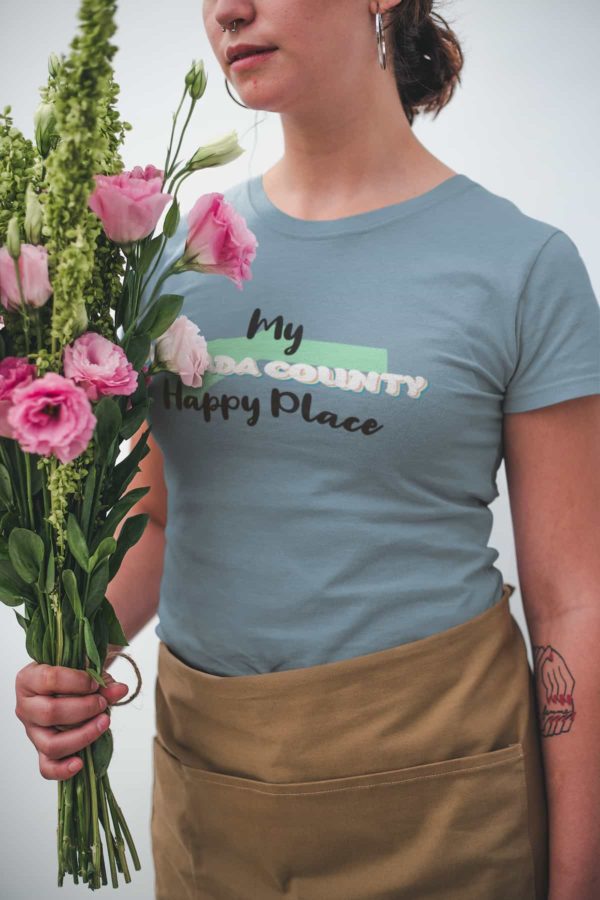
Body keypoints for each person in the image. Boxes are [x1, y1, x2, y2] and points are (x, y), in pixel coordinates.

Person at [14, 2, 600, 898]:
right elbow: (161, 519)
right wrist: (78, 655)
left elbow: (574, 610)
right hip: (218, 805)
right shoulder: (174, 263)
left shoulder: (521, 266)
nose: (227, 10)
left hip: (447, 801)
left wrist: (576, 883)